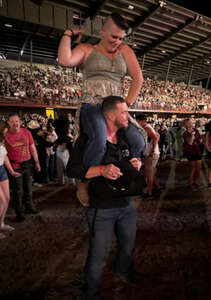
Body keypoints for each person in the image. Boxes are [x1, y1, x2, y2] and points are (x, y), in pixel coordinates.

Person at [67, 96, 143, 300]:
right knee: (98, 256)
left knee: (127, 247)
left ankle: (123, 276)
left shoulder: (126, 138)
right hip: (101, 209)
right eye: (124, 112)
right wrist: (101, 169)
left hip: (127, 206)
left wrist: (136, 164)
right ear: (110, 115)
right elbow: (72, 169)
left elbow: (131, 162)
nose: (129, 116)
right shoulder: (88, 140)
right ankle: (91, 293)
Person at [58, 12, 145, 170]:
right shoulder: (87, 49)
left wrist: (126, 104)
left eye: (120, 38)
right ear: (102, 31)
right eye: (114, 37)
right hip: (93, 104)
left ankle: (127, 171)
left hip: (115, 106)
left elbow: (138, 78)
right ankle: (85, 179)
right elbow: (64, 60)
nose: (117, 41)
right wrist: (68, 34)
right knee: (99, 139)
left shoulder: (124, 50)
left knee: (138, 140)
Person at [5, 113, 41, 221]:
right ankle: (19, 212)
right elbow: (4, 153)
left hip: (27, 165)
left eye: (16, 121)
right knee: (18, 191)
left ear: (20, 122)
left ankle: (29, 207)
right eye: (12, 121)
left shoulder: (26, 132)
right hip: (15, 166)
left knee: (28, 189)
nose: (15, 124)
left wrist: (37, 162)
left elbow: (32, 147)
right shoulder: (5, 135)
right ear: (8, 123)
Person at [0, 121, 21, 239]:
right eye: (5, 130)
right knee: (1, 201)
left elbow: (5, 156)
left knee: (7, 199)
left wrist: (12, 171)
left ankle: (1, 224)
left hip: (2, 170)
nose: (7, 132)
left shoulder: (2, 141)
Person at [136, 114, 161, 199]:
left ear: (142, 121)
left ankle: (149, 193)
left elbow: (155, 138)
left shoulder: (147, 128)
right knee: (150, 173)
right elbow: (156, 136)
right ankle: (157, 188)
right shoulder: (147, 127)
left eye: (138, 121)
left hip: (151, 153)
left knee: (149, 174)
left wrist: (152, 151)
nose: (137, 123)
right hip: (151, 153)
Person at [183, 118, 202, 191]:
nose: (190, 124)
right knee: (192, 168)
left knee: (199, 168)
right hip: (190, 152)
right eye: (188, 123)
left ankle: (195, 182)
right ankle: (190, 183)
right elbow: (190, 142)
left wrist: (199, 140)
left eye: (190, 123)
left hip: (197, 150)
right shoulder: (185, 133)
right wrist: (192, 135)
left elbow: (200, 139)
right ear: (185, 125)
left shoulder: (196, 130)